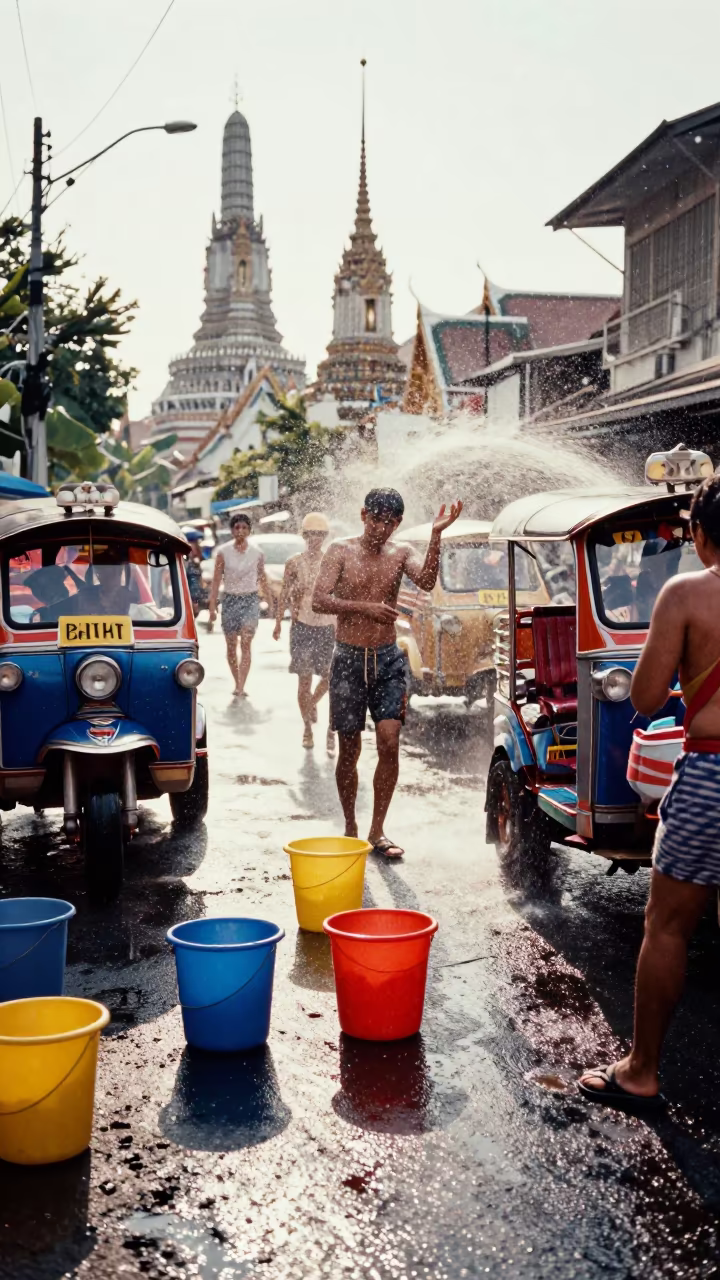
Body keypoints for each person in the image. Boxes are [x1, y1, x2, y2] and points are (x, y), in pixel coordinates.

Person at [578, 474, 720, 1114]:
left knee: (667, 927)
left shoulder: (686, 593)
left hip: (710, 774)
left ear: (699, 534)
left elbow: (643, 696)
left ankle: (640, 1071)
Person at [312, 487, 462, 858]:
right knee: (349, 749)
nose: (381, 528)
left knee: (389, 742)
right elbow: (319, 600)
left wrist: (436, 535)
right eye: (376, 519)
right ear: (364, 515)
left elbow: (426, 581)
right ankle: (351, 827)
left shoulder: (401, 553)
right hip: (348, 660)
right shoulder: (340, 550)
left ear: (398, 524)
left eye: (390, 522)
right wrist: (366, 608)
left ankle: (377, 830)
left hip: (388, 660)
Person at [273, 512, 336, 752]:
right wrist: (278, 622)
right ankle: (307, 728)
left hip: (327, 626)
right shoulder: (293, 563)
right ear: (304, 536)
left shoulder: (331, 561)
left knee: (329, 677)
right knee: (304, 680)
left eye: (319, 534)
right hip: (301, 625)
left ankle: (312, 705)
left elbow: (338, 594)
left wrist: (341, 623)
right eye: (311, 534)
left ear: (325, 536)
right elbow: (284, 593)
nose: (315, 539)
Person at [208, 512, 272, 697]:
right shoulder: (223, 552)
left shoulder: (257, 553)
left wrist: (269, 600)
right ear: (232, 530)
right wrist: (212, 606)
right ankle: (236, 680)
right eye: (237, 527)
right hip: (230, 599)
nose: (240, 531)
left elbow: (262, 577)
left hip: (250, 599)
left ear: (249, 530)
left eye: (244, 527)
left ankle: (241, 686)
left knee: (246, 641)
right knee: (231, 645)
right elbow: (216, 580)